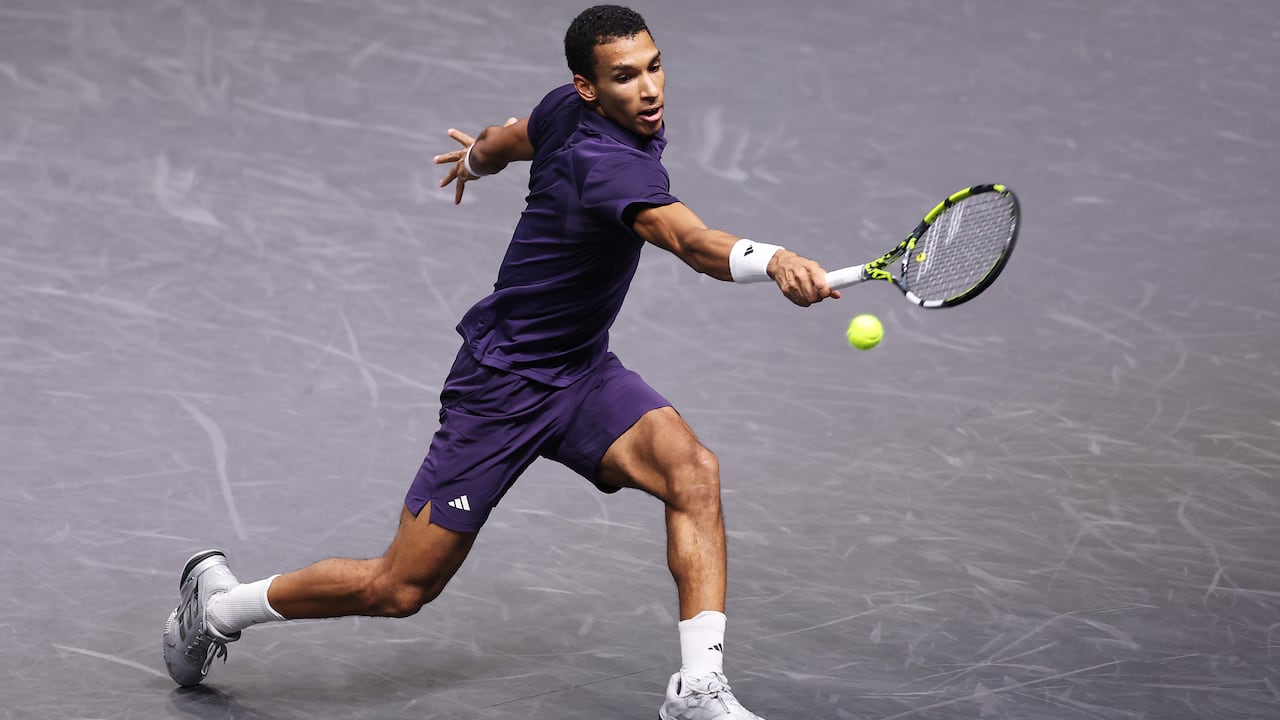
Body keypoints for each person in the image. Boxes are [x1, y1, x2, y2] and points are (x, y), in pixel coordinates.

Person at [161, 6, 839, 719]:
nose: (649, 90)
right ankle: (221, 606)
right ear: (587, 86)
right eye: (624, 77)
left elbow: (510, 137)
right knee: (399, 588)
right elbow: (691, 241)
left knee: (693, 472)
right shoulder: (603, 165)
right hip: (501, 388)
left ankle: (699, 691)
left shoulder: (563, 110)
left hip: (581, 373)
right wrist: (776, 261)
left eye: (654, 66)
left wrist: (478, 158)